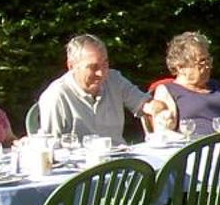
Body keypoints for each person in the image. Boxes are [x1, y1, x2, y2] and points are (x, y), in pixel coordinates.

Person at [34, 33, 164, 141]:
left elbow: (145, 104)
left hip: (118, 162)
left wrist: (162, 111)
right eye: (93, 67)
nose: (101, 73)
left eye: (105, 64)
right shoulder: (56, 96)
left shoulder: (114, 80)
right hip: (81, 169)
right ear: (71, 66)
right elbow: (49, 146)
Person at [149, 31, 220, 135]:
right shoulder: (168, 90)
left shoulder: (215, 85)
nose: (208, 66)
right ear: (180, 67)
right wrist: (165, 120)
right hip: (199, 147)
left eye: (208, 60)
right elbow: (164, 130)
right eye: (201, 62)